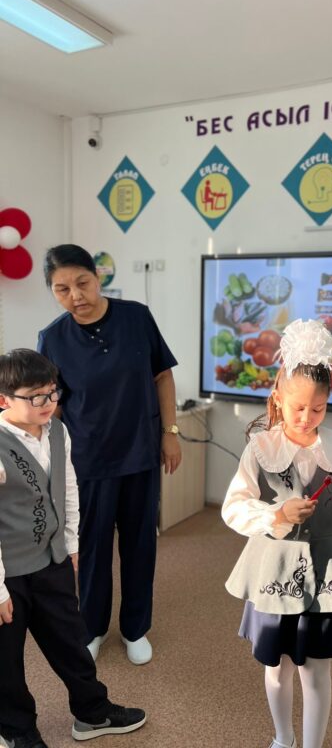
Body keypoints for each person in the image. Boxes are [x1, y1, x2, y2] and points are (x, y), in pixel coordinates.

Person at [222, 319, 332, 748]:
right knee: (277, 668)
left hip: (327, 573)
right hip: (274, 571)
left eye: (318, 409)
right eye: (298, 408)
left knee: (316, 669)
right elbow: (233, 507)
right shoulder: (261, 448)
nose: (307, 418)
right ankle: (283, 738)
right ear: (278, 398)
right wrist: (276, 514)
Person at [37, 244, 181, 666]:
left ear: (98, 277)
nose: (75, 296)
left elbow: (162, 376)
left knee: (139, 545)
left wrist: (170, 433)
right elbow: (51, 407)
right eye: (62, 289)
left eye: (82, 283)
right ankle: (93, 628)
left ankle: (135, 629)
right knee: (93, 549)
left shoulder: (136, 318)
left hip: (139, 452)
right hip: (87, 460)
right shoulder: (53, 338)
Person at [0, 349, 146, 748]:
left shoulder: (57, 431)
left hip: (53, 561)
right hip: (7, 574)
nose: (48, 402)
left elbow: (67, 488)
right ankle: (17, 730)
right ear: (4, 400)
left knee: (70, 640)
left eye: (52, 392)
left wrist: (70, 542)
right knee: (6, 661)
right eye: (36, 396)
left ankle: (92, 712)